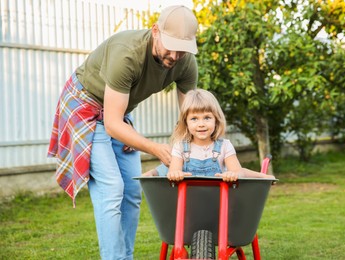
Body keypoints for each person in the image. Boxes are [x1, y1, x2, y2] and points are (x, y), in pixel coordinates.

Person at [47, 5, 199, 260]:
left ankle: (124, 257)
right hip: (84, 104)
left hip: (116, 111)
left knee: (131, 190)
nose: (174, 55)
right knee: (112, 188)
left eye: (182, 50)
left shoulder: (186, 64)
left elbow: (189, 118)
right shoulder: (127, 54)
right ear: (156, 32)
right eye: (170, 46)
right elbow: (113, 125)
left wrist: (184, 150)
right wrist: (156, 148)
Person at [142, 89, 276, 181]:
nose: (201, 124)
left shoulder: (224, 146)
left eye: (207, 118)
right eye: (194, 119)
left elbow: (239, 171)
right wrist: (175, 174)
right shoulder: (180, 148)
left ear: (216, 120)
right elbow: (172, 171)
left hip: (218, 200)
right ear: (186, 122)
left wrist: (233, 174)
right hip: (188, 201)